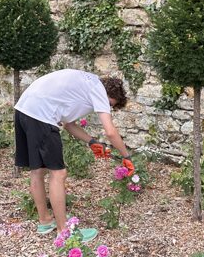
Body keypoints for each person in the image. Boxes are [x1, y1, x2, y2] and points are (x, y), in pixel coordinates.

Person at [14, 68, 134, 242]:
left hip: (24, 110)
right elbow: (110, 132)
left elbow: (68, 124)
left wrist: (91, 142)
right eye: (110, 104)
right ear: (109, 95)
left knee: (38, 170)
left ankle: (45, 221)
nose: (106, 108)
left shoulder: (86, 84)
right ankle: (64, 232)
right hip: (42, 116)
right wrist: (126, 157)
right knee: (59, 174)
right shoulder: (99, 90)